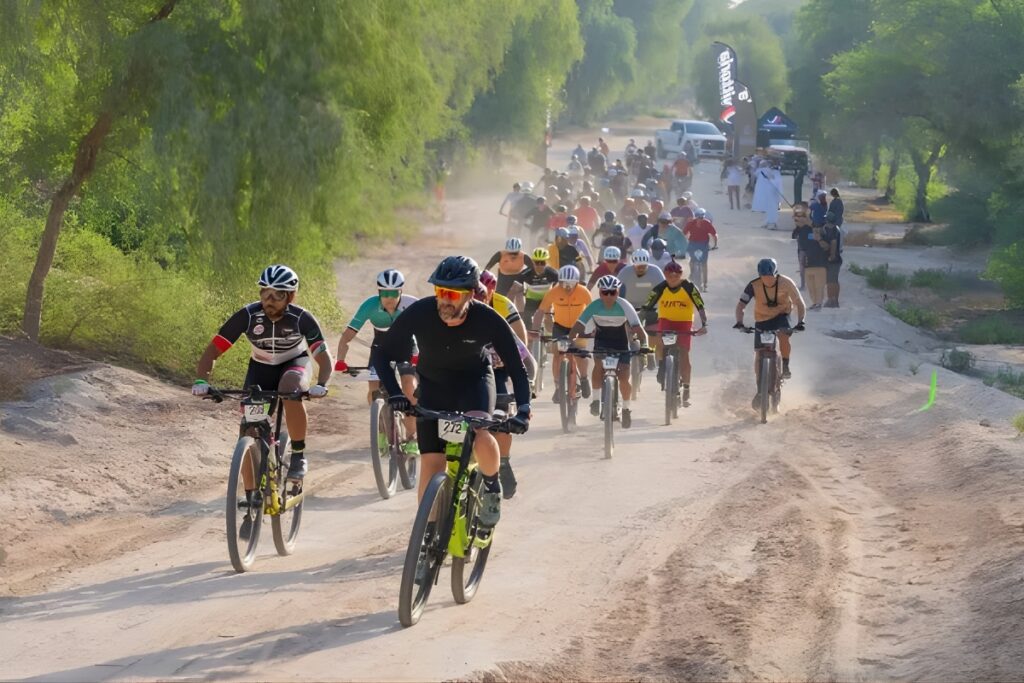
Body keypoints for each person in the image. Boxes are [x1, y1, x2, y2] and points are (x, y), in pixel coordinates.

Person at [374, 256, 531, 529]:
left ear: (470, 294)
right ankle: (427, 534)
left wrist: (525, 409)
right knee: (431, 463)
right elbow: (382, 353)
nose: (444, 300)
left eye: (452, 294)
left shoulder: (487, 319)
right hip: (434, 386)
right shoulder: (422, 312)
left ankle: (492, 489)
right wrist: (397, 392)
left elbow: (517, 368)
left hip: (475, 384)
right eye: (439, 291)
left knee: (481, 433)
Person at [193, 265, 333, 482]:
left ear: (290, 296)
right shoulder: (248, 315)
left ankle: (298, 455)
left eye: (278, 294)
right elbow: (213, 351)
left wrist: (322, 383)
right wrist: (202, 380)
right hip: (260, 369)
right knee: (249, 430)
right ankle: (249, 501)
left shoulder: (302, 318)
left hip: (294, 363)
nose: (269, 299)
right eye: (265, 292)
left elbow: (324, 359)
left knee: (290, 386)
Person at [335, 269, 419, 455]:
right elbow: (348, 335)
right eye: (384, 293)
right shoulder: (370, 305)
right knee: (374, 388)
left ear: (401, 292)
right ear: (379, 292)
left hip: (406, 348)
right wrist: (340, 360)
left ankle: (412, 437)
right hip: (380, 349)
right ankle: (380, 428)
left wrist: (424, 355)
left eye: (394, 293)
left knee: (409, 388)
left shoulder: (412, 304)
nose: (389, 298)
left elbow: (428, 331)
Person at [570, 275, 649, 428]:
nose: (608, 296)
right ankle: (596, 399)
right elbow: (577, 327)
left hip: (621, 344)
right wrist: (571, 341)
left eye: (612, 292)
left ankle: (626, 409)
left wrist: (644, 345)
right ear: (599, 293)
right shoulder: (594, 306)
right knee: (598, 368)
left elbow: (640, 330)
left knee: (624, 378)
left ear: (618, 292)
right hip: (602, 342)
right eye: (604, 293)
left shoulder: (625, 306)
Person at [733, 258, 806, 407]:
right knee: (759, 353)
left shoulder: (786, 282)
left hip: (782, 316)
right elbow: (741, 304)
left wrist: (801, 321)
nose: (766, 279)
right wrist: (740, 322)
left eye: (769, 276)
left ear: (776, 273)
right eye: (763, 276)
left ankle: (785, 365)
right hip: (762, 319)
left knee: (784, 336)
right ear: (759, 275)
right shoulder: (753, 285)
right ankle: (760, 389)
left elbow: (799, 302)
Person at [642, 259, 708, 405]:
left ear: (681, 275)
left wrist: (704, 324)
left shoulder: (689, 287)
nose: (673, 279)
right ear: (665, 275)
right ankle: (661, 366)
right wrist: (638, 323)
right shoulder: (660, 288)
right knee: (660, 343)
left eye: (676, 275)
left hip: (684, 323)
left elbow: (700, 306)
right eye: (669, 276)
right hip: (666, 321)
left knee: (684, 353)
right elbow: (646, 306)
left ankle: (686, 386)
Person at [532, 265, 593, 401]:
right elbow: (540, 311)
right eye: (563, 283)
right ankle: (558, 387)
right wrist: (535, 330)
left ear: (577, 282)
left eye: (570, 284)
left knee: (580, 354)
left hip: (579, 327)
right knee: (557, 354)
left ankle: (583, 378)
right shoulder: (554, 291)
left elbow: (593, 312)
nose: (567, 287)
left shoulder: (584, 292)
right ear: (559, 282)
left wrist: (595, 329)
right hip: (560, 327)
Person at [618, 249, 665, 362]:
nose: (641, 269)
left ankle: (650, 352)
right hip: (630, 306)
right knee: (627, 329)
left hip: (651, 306)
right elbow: (616, 288)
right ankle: (629, 349)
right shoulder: (625, 272)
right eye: (638, 267)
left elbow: (664, 289)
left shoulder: (656, 272)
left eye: (644, 267)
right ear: (633, 264)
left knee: (652, 331)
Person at [521, 248, 559, 331]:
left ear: (547, 263)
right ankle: (529, 339)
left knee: (548, 316)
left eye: (542, 263)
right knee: (526, 319)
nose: (539, 266)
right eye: (537, 263)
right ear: (533, 262)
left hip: (546, 300)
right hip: (531, 300)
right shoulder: (526, 273)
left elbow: (558, 287)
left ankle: (551, 339)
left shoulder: (553, 273)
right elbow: (517, 286)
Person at [484, 237, 532, 303]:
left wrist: (523, 274)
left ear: (519, 250)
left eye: (515, 253)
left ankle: (521, 313)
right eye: (510, 253)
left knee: (520, 300)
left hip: (518, 280)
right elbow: (489, 265)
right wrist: (485, 274)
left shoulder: (523, 256)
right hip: (503, 280)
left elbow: (533, 267)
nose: (513, 255)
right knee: (499, 299)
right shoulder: (500, 254)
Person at [683, 208, 718, 290]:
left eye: (701, 217)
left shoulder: (698, 223)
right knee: (697, 262)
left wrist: (715, 244)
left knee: (701, 263)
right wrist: (715, 245)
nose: (699, 219)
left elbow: (714, 235)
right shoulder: (702, 223)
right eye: (698, 217)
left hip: (701, 245)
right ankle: (700, 280)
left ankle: (703, 282)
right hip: (696, 244)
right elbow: (714, 235)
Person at [801, 221, 830, 309]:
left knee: (819, 286)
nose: (816, 230)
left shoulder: (825, 237)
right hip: (808, 265)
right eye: (814, 228)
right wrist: (802, 263)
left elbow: (827, 247)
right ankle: (814, 303)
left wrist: (819, 239)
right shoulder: (808, 238)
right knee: (811, 287)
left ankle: (819, 303)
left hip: (820, 266)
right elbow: (804, 250)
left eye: (818, 228)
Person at [752, 161, 784, 229]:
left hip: (774, 195)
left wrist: (770, 179)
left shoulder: (774, 174)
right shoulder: (770, 173)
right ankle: (769, 222)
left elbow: (776, 184)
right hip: (771, 195)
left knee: (774, 209)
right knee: (770, 209)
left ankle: (773, 223)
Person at [822, 214, 843, 307]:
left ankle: (831, 300)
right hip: (837, 259)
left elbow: (833, 243)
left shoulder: (831, 230)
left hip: (832, 259)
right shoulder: (837, 228)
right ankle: (835, 300)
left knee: (830, 281)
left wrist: (832, 256)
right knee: (834, 280)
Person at [791, 202, 811, 290]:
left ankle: (808, 285)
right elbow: (794, 236)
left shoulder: (810, 227)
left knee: (808, 268)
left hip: (809, 250)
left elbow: (813, 238)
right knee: (802, 268)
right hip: (801, 250)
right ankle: (803, 285)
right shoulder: (798, 228)